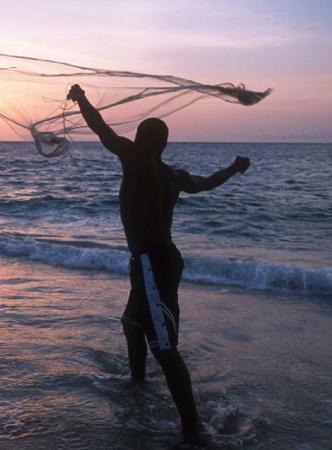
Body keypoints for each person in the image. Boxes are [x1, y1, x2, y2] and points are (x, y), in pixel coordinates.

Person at [66, 84, 250, 447]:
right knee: (132, 324)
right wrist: (234, 167)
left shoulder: (134, 157)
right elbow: (207, 182)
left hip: (155, 264)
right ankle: (137, 386)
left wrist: (82, 98)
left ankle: (193, 428)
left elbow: (101, 128)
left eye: (139, 133)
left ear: (142, 138)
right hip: (152, 262)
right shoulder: (173, 175)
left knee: (164, 348)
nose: (133, 137)